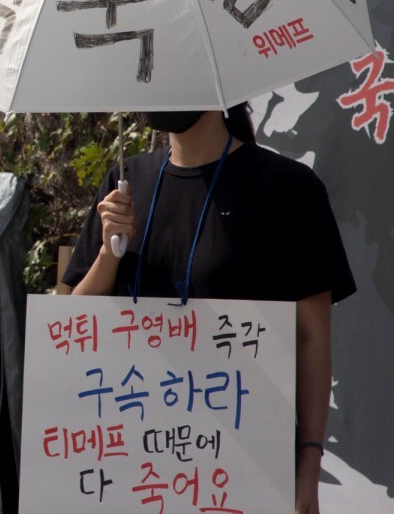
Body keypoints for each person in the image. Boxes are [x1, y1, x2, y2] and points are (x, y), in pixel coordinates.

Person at [62, 105, 355, 514]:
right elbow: (75, 329)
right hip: (133, 471)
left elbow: (312, 338)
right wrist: (109, 254)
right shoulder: (126, 183)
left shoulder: (288, 188)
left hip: (245, 475)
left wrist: (307, 468)